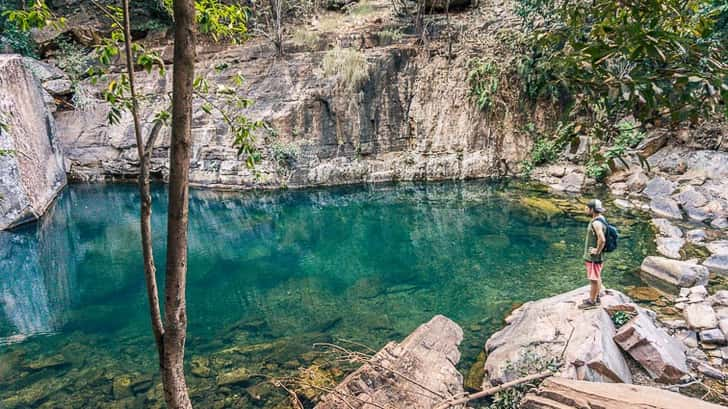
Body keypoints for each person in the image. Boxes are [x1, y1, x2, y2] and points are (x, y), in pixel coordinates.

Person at [579, 199, 606, 309]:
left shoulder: (596, 223)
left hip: (594, 258)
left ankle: (592, 302)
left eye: (587, 208)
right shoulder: (601, 218)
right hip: (598, 257)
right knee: (597, 277)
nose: (585, 209)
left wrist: (597, 251)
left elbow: (602, 239)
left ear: (592, 210)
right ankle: (596, 296)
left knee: (593, 279)